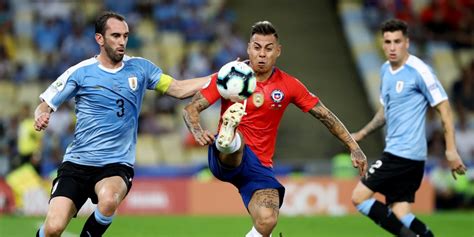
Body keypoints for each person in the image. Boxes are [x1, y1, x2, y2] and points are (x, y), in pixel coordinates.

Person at [183, 21, 368, 237]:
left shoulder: (289, 85)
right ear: (248, 48)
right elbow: (191, 108)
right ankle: (229, 137)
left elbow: (325, 115)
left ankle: (231, 136)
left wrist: (353, 146)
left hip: (259, 167)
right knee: (236, 142)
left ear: (278, 51)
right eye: (257, 47)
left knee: (267, 221)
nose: (262, 54)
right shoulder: (230, 75)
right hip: (225, 158)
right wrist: (197, 131)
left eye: (268, 48)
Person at [33, 11, 210, 237]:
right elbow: (45, 103)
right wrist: (41, 115)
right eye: (116, 36)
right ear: (100, 39)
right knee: (54, 228)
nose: (122, 41)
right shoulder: (80, 73)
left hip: (116, 163)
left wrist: (218, 77)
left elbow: (178, 88)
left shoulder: (141, 68)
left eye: (125, 36)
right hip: (77, 163)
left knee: (108, 200)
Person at [351, 19, 467, 237]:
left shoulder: (420, 71)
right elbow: (385, 111)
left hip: (402, 154)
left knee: (359, 197)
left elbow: (445, 109)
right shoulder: (385, 70)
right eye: (388, 42)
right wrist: (363, 133)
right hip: (405, 155)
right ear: (382, 44)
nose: (392, 47)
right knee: (401, 213)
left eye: (397, 41)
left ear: (407, 42)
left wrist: (451, 150)